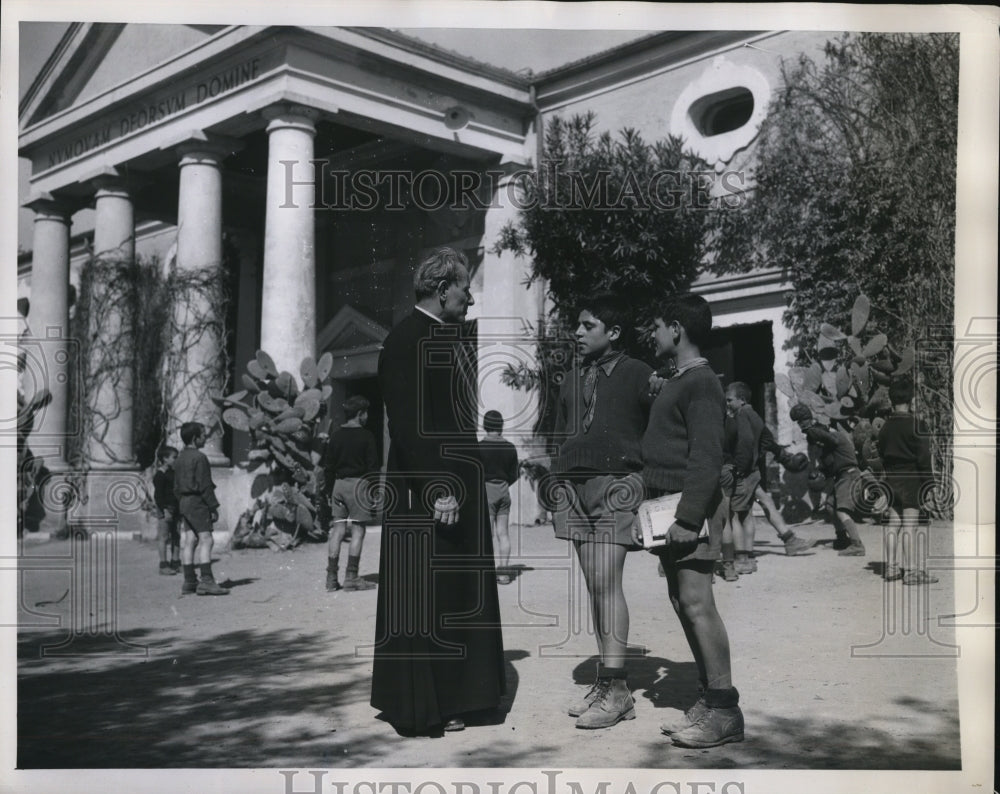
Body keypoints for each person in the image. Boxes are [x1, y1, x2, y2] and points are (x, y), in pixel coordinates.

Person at [371, 247, 505, 736]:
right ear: (443, 288)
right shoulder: (406, 340)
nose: (470, 297)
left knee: (454, 592)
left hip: (456, 483)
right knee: (430, 595)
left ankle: (462, 697)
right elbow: (408, 425)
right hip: (430, 489)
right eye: (466, 288)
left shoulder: (445, 338)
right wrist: (439, 489)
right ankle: (427, 704)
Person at [636, 292, 744, 749]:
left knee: (698, 603)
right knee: (683, 603)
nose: (653, 335)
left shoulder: (702, 383)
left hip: (689, 508)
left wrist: (687, 517)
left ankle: (725, 710)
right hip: (671, 508)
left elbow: (706, 455)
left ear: (676, 329)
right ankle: (708, 696)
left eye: (658, 326)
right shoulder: (681, 379)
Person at [548, 291, 652, 730]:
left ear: (613, 332)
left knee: (608, 585)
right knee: (595, 588)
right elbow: (560, 434)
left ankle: (619, 689)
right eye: (577, 324)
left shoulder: (640, 374)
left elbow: (662, 434)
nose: (577, 332)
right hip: (573, 490)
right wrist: (556, 482)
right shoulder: (571, 376)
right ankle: (606, 682)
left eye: (587, 325)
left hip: (615, 488)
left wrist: (639, 481)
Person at [876, 379, 938, 585]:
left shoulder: (885, 427)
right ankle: (912, 572)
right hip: (911, 481)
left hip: (892, 479)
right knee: (910, 526)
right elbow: (923, 458)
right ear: (911, 401)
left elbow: (881, 455)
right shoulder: (917, 425)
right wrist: (929, 485)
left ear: (891, 401)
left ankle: (892, 568)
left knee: (893, 524)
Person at [790, 403, 866, 556]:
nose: (800, 426)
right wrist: (820, 472)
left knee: (842, 510)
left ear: (805, 421)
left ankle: (857, 545)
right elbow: (831, 462)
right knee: (831, 506)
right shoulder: (826, 440)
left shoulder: (826, 435)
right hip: (842, 475)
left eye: (800, 422)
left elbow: (832, 440)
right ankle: (842, 539)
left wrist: (812, 431)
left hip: (849, 474)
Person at [322, 395, 379, 592]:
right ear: (360, 414)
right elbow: (373, 468)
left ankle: (331, 578)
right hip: (359, 487)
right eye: (366, 413)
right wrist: (374, 491)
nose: (367, 416)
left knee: (337, 530)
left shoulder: (336, 436)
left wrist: (330, 491)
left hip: (339, 486)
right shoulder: (367, 436)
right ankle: (352, 577)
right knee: (358, 530)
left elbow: (328, 467)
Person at [174, 422, 228, 596]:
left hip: (184, 502)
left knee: (190, 539)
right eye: (203, 435)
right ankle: (207, 581)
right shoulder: (200, 458)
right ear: (195, 438)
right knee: (207, 540)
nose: (205, 437)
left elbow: (175, 486)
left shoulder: (179, 457)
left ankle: (189, 581)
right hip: (197, 502)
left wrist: (181, 502)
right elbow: (205, 485)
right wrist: (213, 507)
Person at [724, 382, 764, 576]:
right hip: (754, 470)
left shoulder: (742, 415)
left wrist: (739, 468)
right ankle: (749, 555)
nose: (728, 404)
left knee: (733, 514)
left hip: (744, 472)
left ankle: (741, 559)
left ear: (742, 400)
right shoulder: (754, 415)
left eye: (730, 400)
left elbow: (745, 443)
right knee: (747, 514)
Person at [479, 410, 519, 585]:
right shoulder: (510, 447)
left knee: (487, 535)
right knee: (503, 533)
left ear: (484, 426)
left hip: (486, 492)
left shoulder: (478, 448)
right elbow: (514, 474)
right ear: (501, 426)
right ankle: (503, 574)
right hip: (504, 491)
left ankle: (486, 574)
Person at [152, 445, 181, 575]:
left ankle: (175, 562)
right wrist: (164, 510)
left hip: (176, 508)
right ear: (165, 458)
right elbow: (158, 495)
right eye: (174, 457)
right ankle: (163, 565)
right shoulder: (160, 475)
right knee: (164, 536)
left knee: (177, 535)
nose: (176, 459)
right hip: (165, 508)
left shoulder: (173, 473)